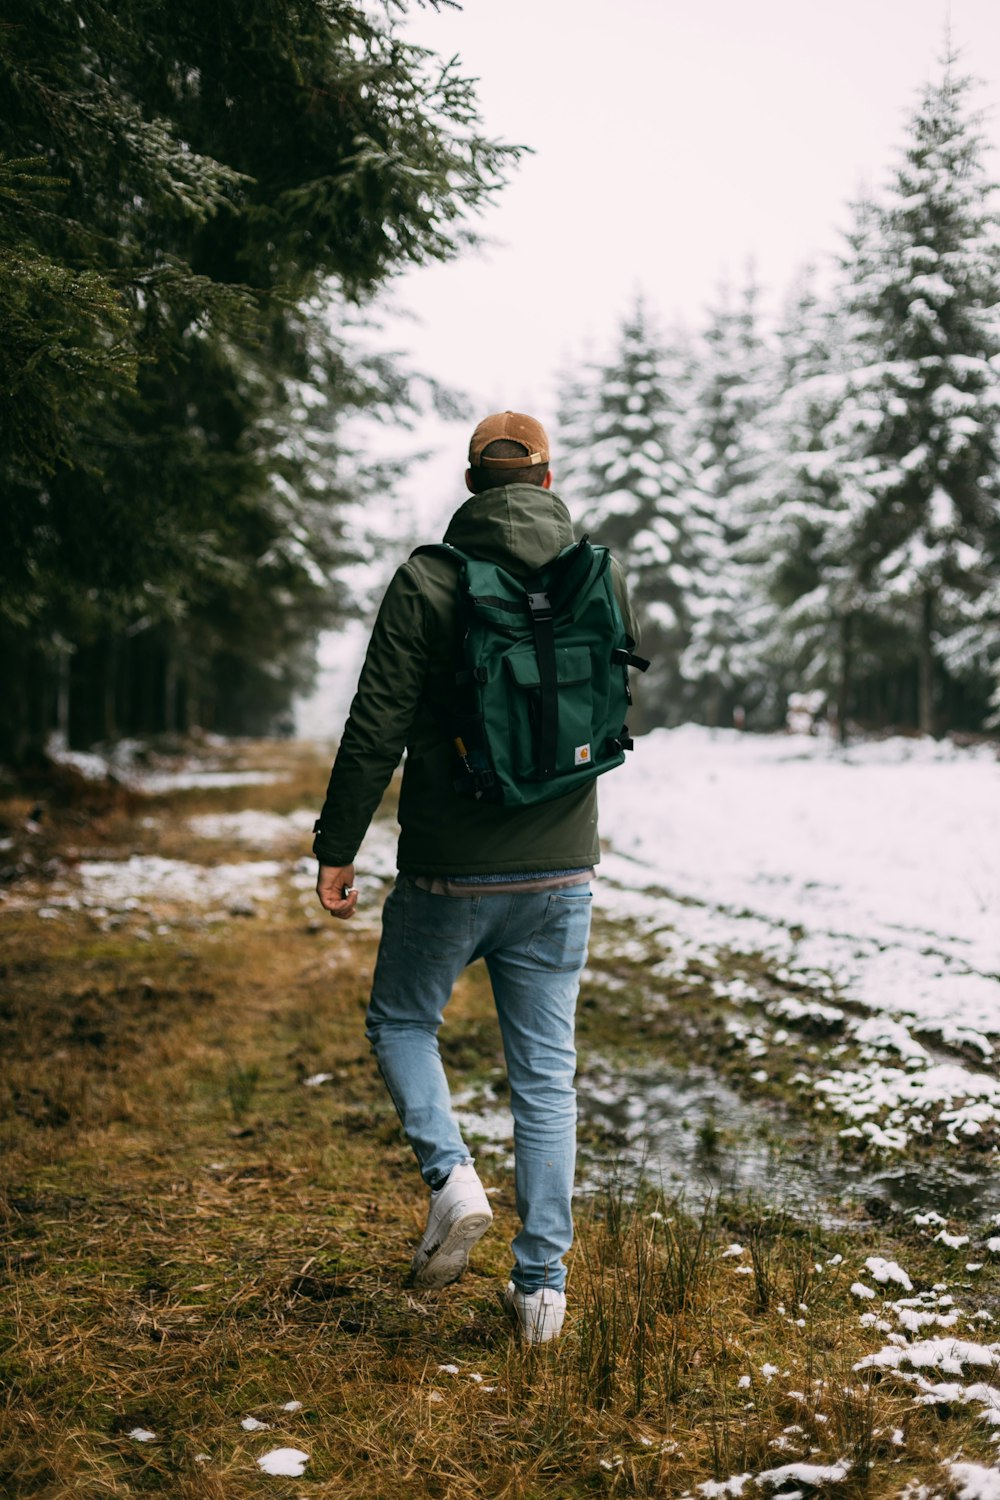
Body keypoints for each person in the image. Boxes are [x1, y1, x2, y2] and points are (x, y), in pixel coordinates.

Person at [313, 411, 637, 1343]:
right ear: (545, 479)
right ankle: (541, 1294)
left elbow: (374, 722)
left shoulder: (428, 579)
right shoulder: (599, 572)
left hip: (448, 868)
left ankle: (452, 1178)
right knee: (545, 1079)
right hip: (562, 868)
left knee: (403, 1020)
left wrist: (340, 847)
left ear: (471, 485)